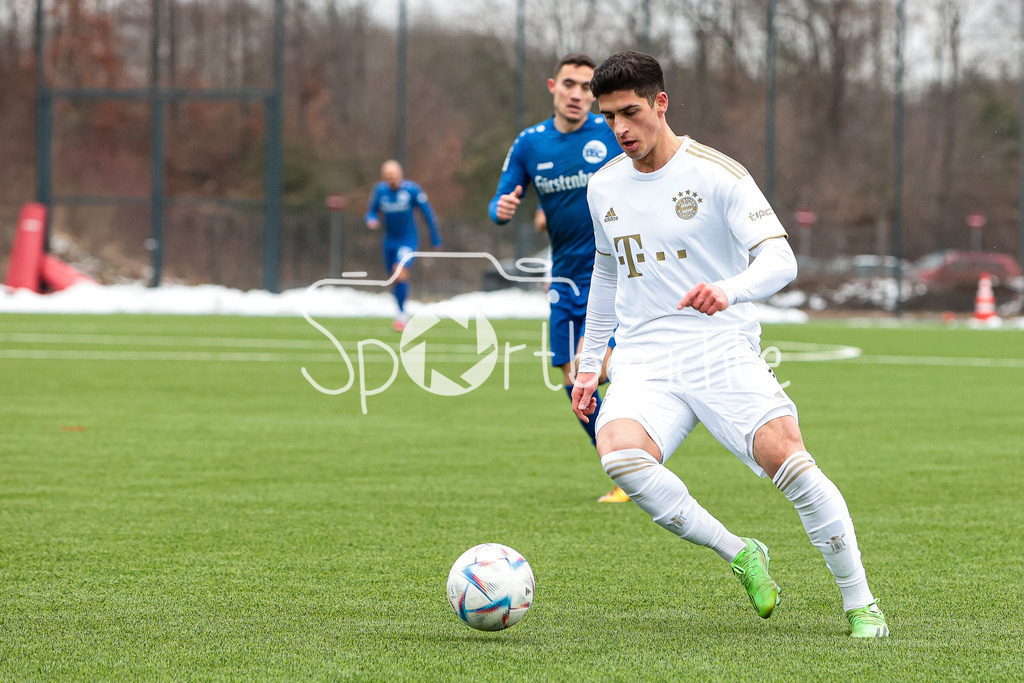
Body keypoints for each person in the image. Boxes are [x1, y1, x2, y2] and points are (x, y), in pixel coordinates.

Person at [571, 51, 888, 637]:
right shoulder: (603, 186)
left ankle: (861, 603)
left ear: (661, 104)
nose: (620, 129)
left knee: (788, 459)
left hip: (718, 348)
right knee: (619, 455)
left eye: (631, 112)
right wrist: (591, 366)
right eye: (608, 117)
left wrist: (728, 289)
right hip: (644, 357)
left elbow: (780, 259)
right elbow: (607, 276)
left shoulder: (717, 174)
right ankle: (741, 551)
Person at [489, 53, 627, 503]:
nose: (578, 94)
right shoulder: (530, 143)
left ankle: (638, 451)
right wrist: (504, 209)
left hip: (614, 277)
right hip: (565, 279)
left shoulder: (610, 134)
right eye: (570, 84)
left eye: (588, 87)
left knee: (598, 369)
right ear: (553, 86)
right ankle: (623, 471)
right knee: (575, 386)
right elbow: (500, 201)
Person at [365, 160, 442, 331]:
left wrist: (435, 239)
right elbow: (371, 211)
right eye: (387, 176)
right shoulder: (380, 191)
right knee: (395, 277)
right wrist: (371, 219)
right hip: (389, 240)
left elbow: (427, 214)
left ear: (400, 174)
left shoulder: (412, 190)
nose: (390, 179)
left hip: (408, 239)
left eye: (393, 175)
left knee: (399, 271)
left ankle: (401, 315)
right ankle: (400, 312)